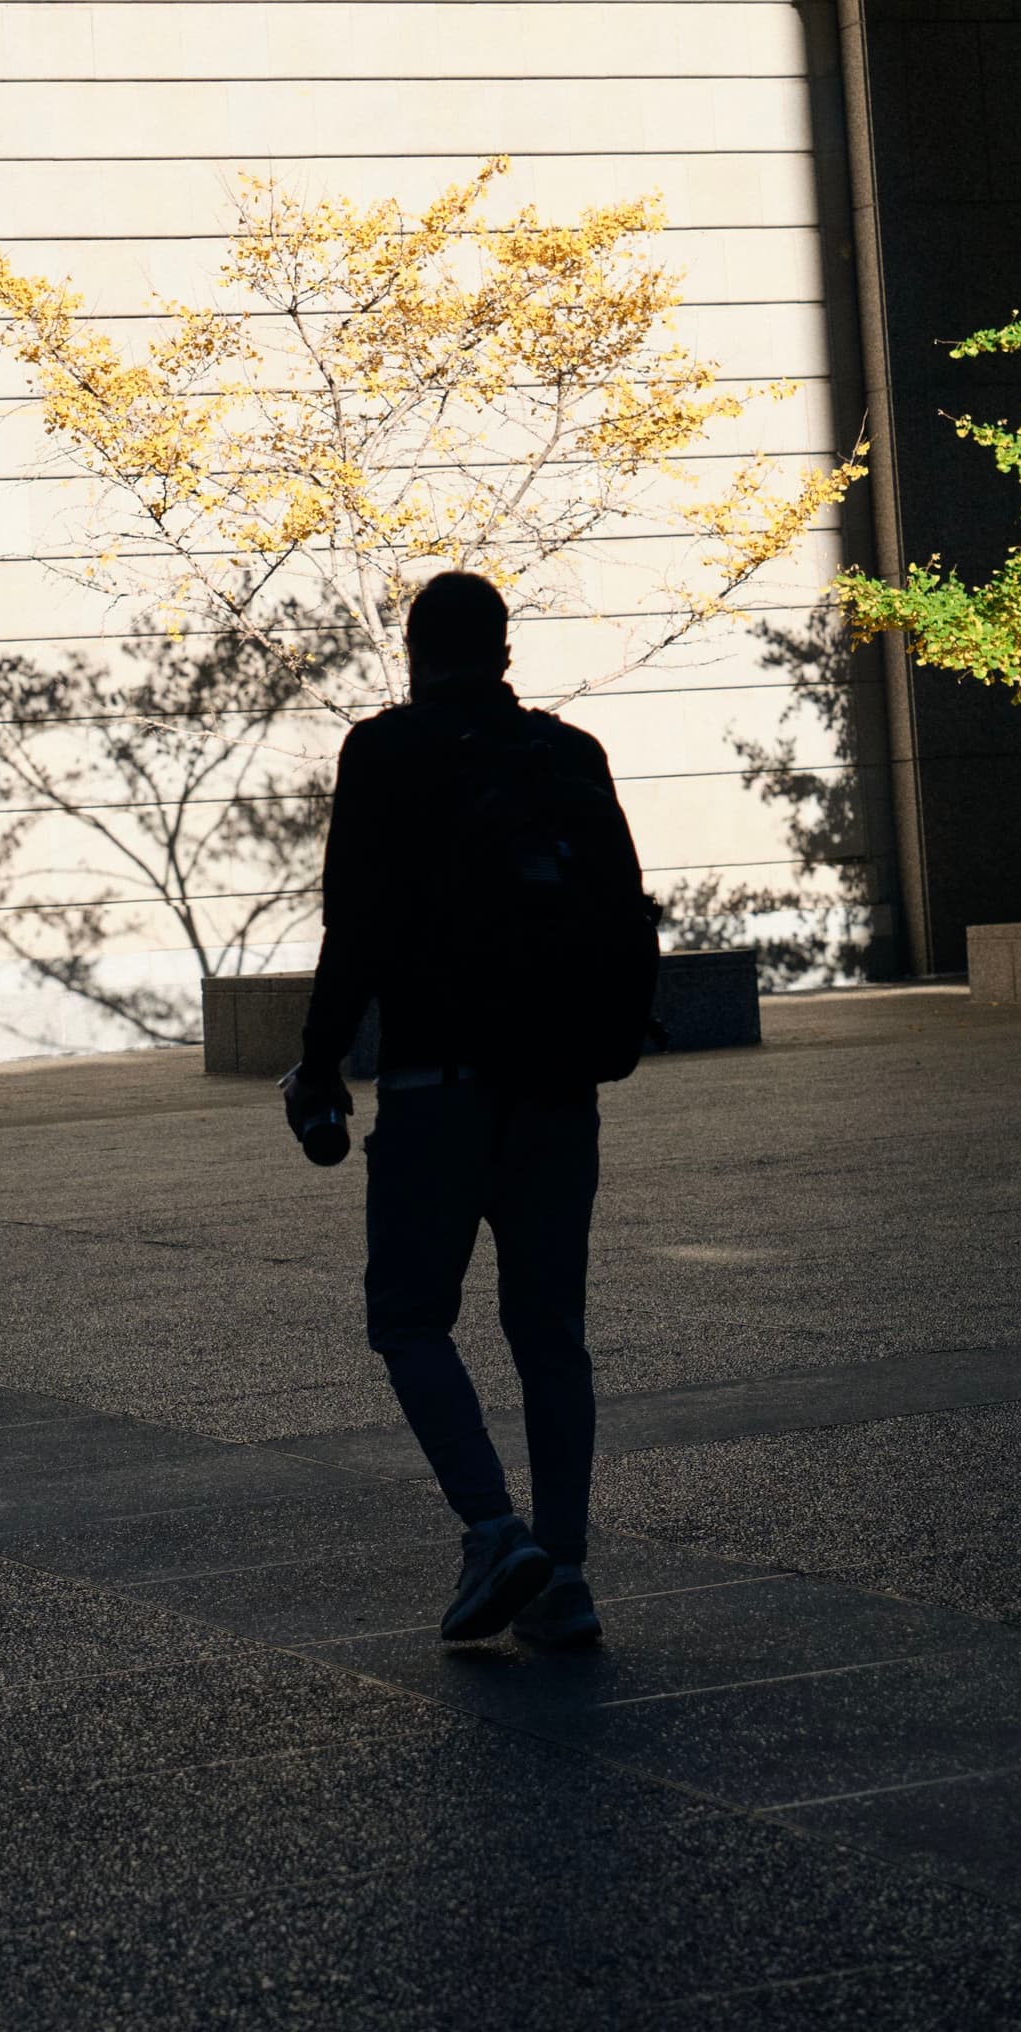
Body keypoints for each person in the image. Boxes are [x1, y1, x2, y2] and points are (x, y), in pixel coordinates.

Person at [284, 571, 650, 1653]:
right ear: (501, 649)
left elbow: (351, 924)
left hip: (434, 1085)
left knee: (406, 1317)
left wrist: (317, 1065)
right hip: (559, 1092)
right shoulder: (569, 757)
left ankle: (493, 1531)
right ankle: (566, 1575)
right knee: (548, 1334)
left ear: (413, 649)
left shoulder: (384, 752)